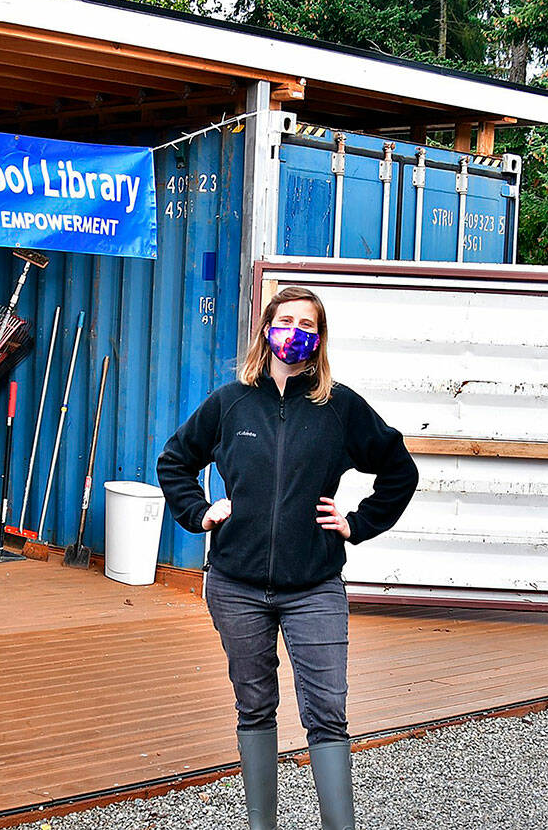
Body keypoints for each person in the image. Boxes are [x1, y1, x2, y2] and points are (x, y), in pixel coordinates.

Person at [156, 286, 418, 830]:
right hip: (236, 585)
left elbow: (400, 470)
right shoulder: (230, 403)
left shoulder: (339, 407)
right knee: (254, 707)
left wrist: (357, 523)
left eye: (306, 324)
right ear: (267, 330)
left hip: (314, 586)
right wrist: (200, 512)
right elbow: (175, 461)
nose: (294, 331)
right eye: (285, 321)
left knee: (327, 714)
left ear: (318, 339)